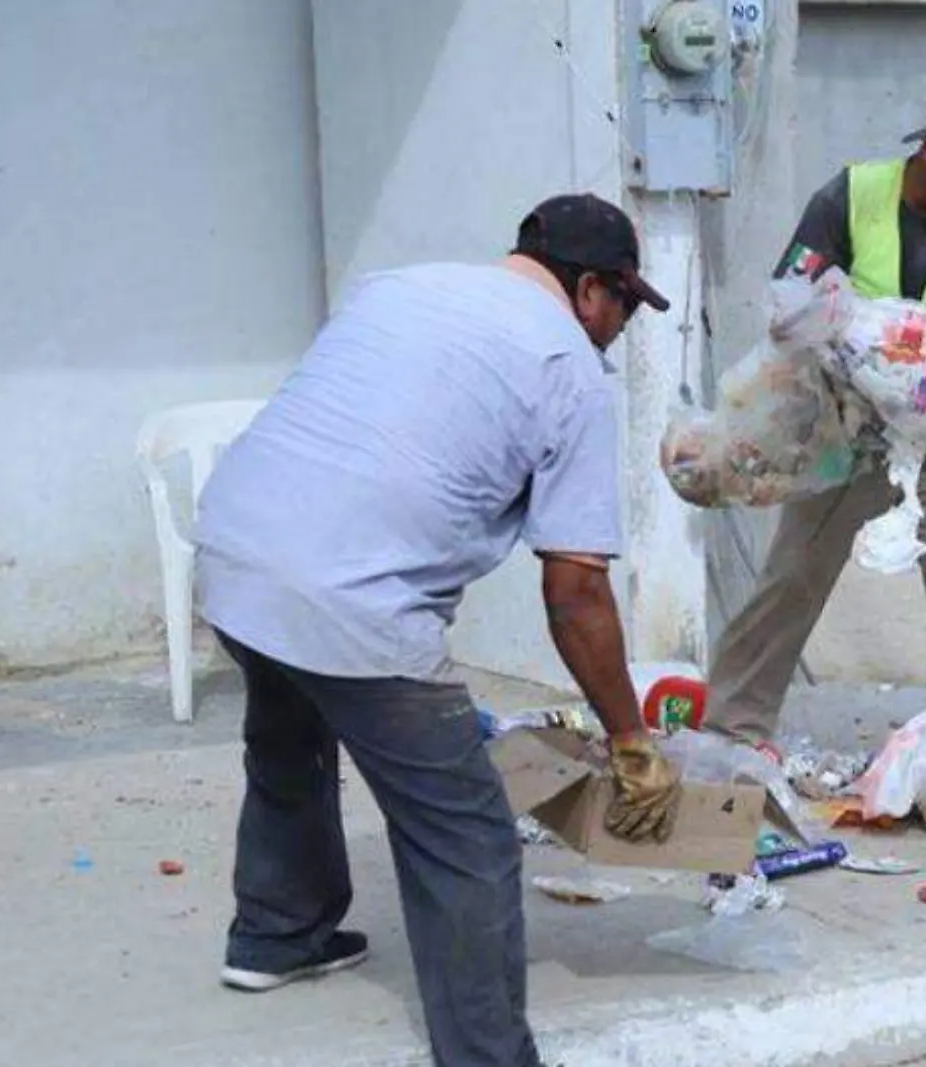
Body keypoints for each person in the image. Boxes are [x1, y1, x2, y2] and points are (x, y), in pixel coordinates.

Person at [193, 194, 682, 1067]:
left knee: (287, 738)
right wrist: (628, 737)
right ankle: (489, 1054)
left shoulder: (399, 287)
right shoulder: (567, 365)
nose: (618, 330)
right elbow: (576, 592)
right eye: (622, 307)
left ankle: (277, 932)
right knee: (464, 835)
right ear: (590, 289)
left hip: (234, 551)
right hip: (355, 596)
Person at [707, 87, 926, 749]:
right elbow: (795, 291)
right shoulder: (852, 194)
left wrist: (885, 336)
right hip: (847, 429)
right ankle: (729, 728)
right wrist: (883, 341)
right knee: (792, 576)